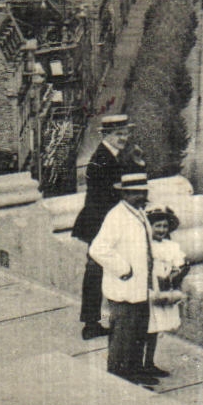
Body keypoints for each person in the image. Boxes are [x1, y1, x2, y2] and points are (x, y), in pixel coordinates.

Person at [88, 172, 157, 386]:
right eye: (136, 193)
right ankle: (118, 377)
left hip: (140, 288)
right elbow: (97, 249)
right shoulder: (116, 217)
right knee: (122, 335)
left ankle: (136, 371)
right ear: (125, 194)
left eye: (143, 192)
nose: (142, 196)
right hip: (123, 287)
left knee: (138, 331)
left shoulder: (138, 213)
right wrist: (123, 269)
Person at [72, 115, 137, 339]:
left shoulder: (110, 155)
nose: (124, 138)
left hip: (100, 221)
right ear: (106, 135)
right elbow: (104, 195)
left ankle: (94, 322)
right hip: (99, 222)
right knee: (96, 272)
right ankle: (91, 324)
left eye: (126, 133)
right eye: (119, 134)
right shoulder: (101, 158)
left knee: (99, 271)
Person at [141, 207, 189, 378]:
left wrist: (174, 274)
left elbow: (181, 265)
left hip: (164, 288)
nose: (162, 230)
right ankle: (137, 363)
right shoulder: (145, 246)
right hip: (147, 289)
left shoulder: (171, 246)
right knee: (145, 327)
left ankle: (149, 362)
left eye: (165, 226)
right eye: (158, 226)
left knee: (155, 328)